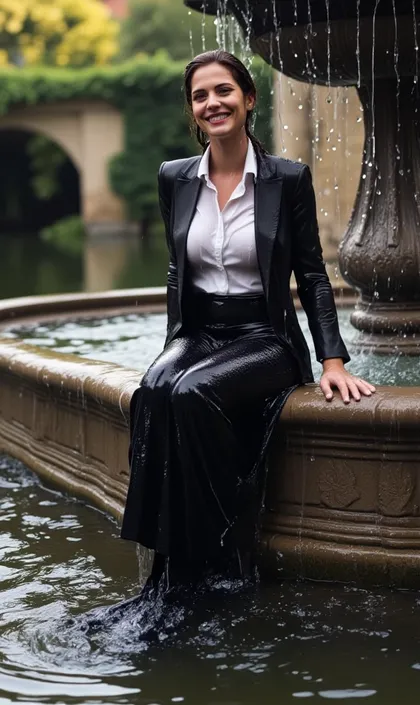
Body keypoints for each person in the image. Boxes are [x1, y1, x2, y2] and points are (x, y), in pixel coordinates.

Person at [120, 49, 375, 595]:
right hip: (200, 332)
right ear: (192, 112)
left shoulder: (286, 179)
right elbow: (176, 268)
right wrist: (173, 346)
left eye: (223, 91)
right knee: (154, 390)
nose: (213, 103)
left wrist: (332, 359)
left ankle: (218, 552)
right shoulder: (175, 179)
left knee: (191, 395)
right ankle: (162, 567)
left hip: (265, 336)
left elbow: (312, 275)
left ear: (248, 99)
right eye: (200, 96)